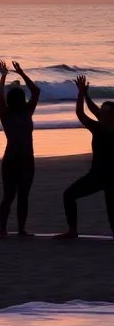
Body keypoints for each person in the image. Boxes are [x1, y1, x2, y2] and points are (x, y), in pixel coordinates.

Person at [62, 75, 114, 237]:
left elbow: (84, 113)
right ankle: (72, 230)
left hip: (105, 177)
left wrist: (82, 94)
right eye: (102, 111)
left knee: (111, 211)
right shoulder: (100, 126)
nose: (102, 113)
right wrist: (83, 94)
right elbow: (88, 112)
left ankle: (73, 231)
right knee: (69, 195)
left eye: (106, 112)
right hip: (98, 176)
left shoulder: (100, 128)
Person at [0, 59, 40, 237]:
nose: (21, 101)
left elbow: (36, 91)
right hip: (12, 159)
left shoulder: (27, 111)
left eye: (22, 98)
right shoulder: (5, 114)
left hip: (27, 159)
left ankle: (21, 229)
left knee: (23, 195)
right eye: (18, 99)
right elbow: (0, 96)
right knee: (9, 196)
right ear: (12, 101)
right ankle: (3, 230)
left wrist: (21, 73)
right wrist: (3, 76)